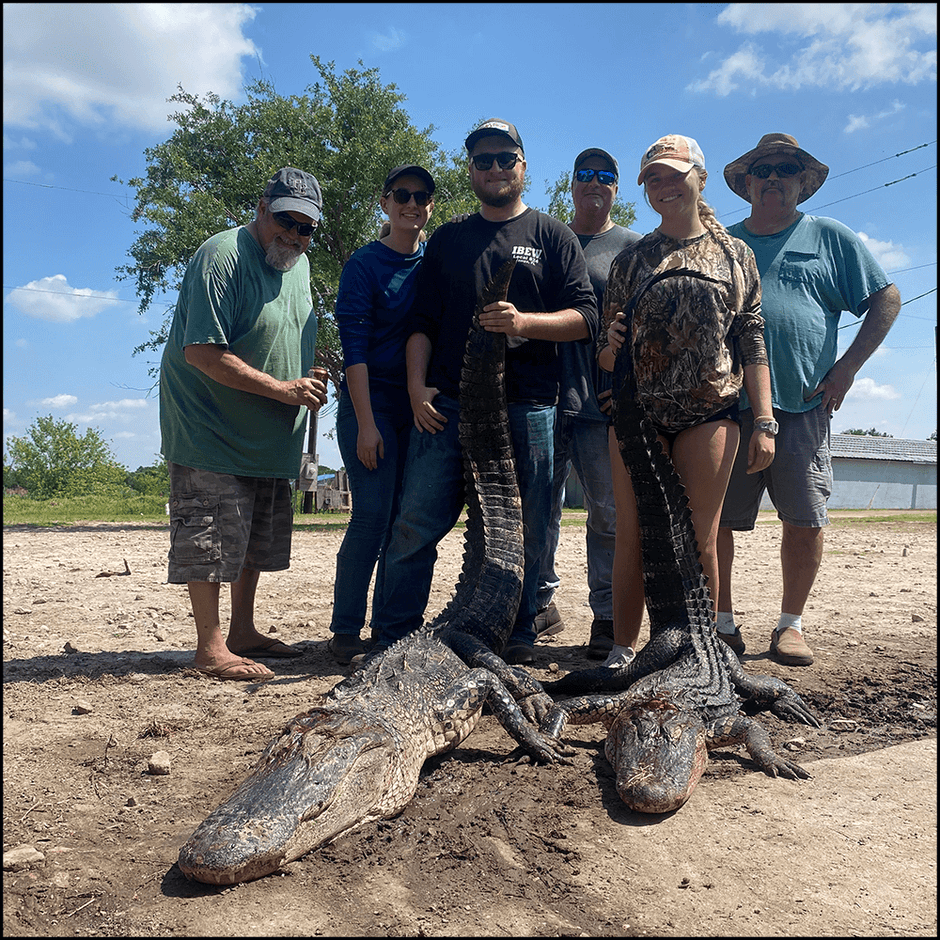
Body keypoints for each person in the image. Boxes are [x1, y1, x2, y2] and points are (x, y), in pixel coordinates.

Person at [367, 118, 598, 666]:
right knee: (415, 523)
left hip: (531, 405)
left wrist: (524, 323)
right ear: (471, 170)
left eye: (504, 158)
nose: (494, 168)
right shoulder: (447, 238)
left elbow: (587, 316)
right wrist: (416, 388)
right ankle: (392, 635)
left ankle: (518, 629)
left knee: (533, 523)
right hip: (447, 406)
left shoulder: (552, 235)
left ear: (523, 166)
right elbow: (420, 323)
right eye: (483, 160)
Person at [716, 133, 901, 666]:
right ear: (747, 182)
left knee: (805, 519)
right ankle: (723, 623)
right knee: (718, 520)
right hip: (729, 410)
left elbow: (885, 297)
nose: (774, 176)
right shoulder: (724, 245)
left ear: (802, 181)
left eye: (786, 169)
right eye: (764, 169)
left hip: (803, 408)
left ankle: (790, 625)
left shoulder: (830, 237)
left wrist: (845, 370)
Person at [599, 135, 773, 670]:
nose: (664, 186)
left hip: (710, 415)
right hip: (638, 417)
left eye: (674, 174)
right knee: (632, 536)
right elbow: (607, 359)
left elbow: (751, 338)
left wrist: (764, 420)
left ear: (699, 176)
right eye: (653, 178)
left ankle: (697, 652)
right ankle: (624, 651)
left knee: (700, 537)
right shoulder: (630, 260)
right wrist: (609, 347)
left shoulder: (734, 254)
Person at [159, 167, 328, 681]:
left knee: (253, 537)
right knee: (211, 538)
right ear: (261, 207)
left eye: (305, 228)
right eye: (285, 222)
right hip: (211, 428)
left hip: (269, 435)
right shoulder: (221, 255)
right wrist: (282, 389)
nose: (294, 236)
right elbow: (203, 353)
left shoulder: (298, 266)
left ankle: (243, 632)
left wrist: (307, 377)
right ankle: (209, 648)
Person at [327, 164, 436, 664]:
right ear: (385, 203)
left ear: (430, 206)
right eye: (401, 195)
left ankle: (389, 632)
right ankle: (345, 630)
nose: (411, 203)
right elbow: (354, 350)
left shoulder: (432, 265)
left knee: (404, 521)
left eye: (421, 196)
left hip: (417, 409)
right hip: (368, 405)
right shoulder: (363, 265)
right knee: (371, 516)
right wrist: (367, 424)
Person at [535, 148, 640, 659]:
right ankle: (538, 604)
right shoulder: (548, 239)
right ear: (571, 184)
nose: (595, 183)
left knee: (608, 514)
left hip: (602, 406)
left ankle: (606, 614)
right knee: (541, 509)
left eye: (606, 176)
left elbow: (645, 328)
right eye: (585, 175)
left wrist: (625, 383)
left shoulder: (633, 247)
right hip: (543, 398)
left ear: (617, 188)